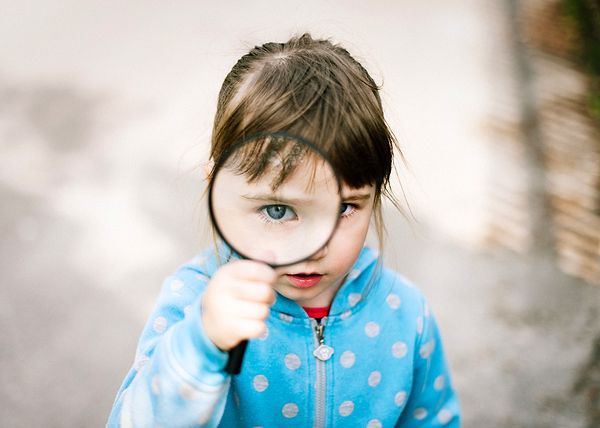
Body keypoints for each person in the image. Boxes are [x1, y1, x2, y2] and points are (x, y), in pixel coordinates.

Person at [108, 33, 461, 427]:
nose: (312, 247)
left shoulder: (405, 313)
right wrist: (201, 348)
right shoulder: (195, 302)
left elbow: (434, 419)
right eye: (277, 210)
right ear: (216, 187)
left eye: (344, 208)